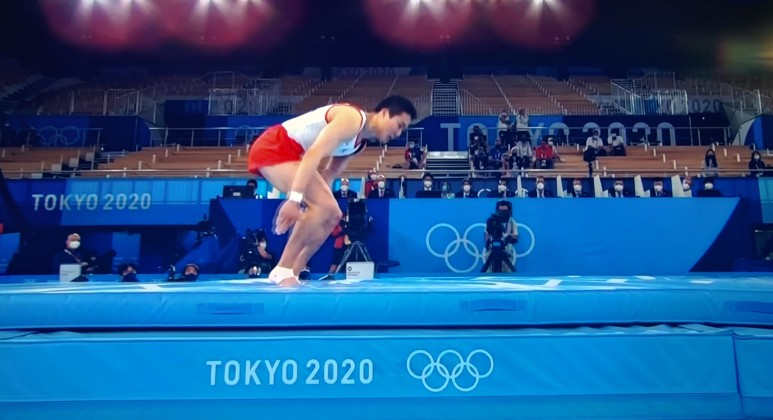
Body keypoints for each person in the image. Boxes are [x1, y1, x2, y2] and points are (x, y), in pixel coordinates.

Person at [248, 96, 416, 286]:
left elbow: (330, 174)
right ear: (384, 113)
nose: (399, 133)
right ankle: (282, 269)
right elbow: (314, 153)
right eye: (400, 125)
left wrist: (315, 208)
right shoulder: (352, 118)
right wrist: (294, 200)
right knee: (324, 207)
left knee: (333, 214)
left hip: (294, 155)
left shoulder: (359, 144)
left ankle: (294, 271)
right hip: (276, 146)